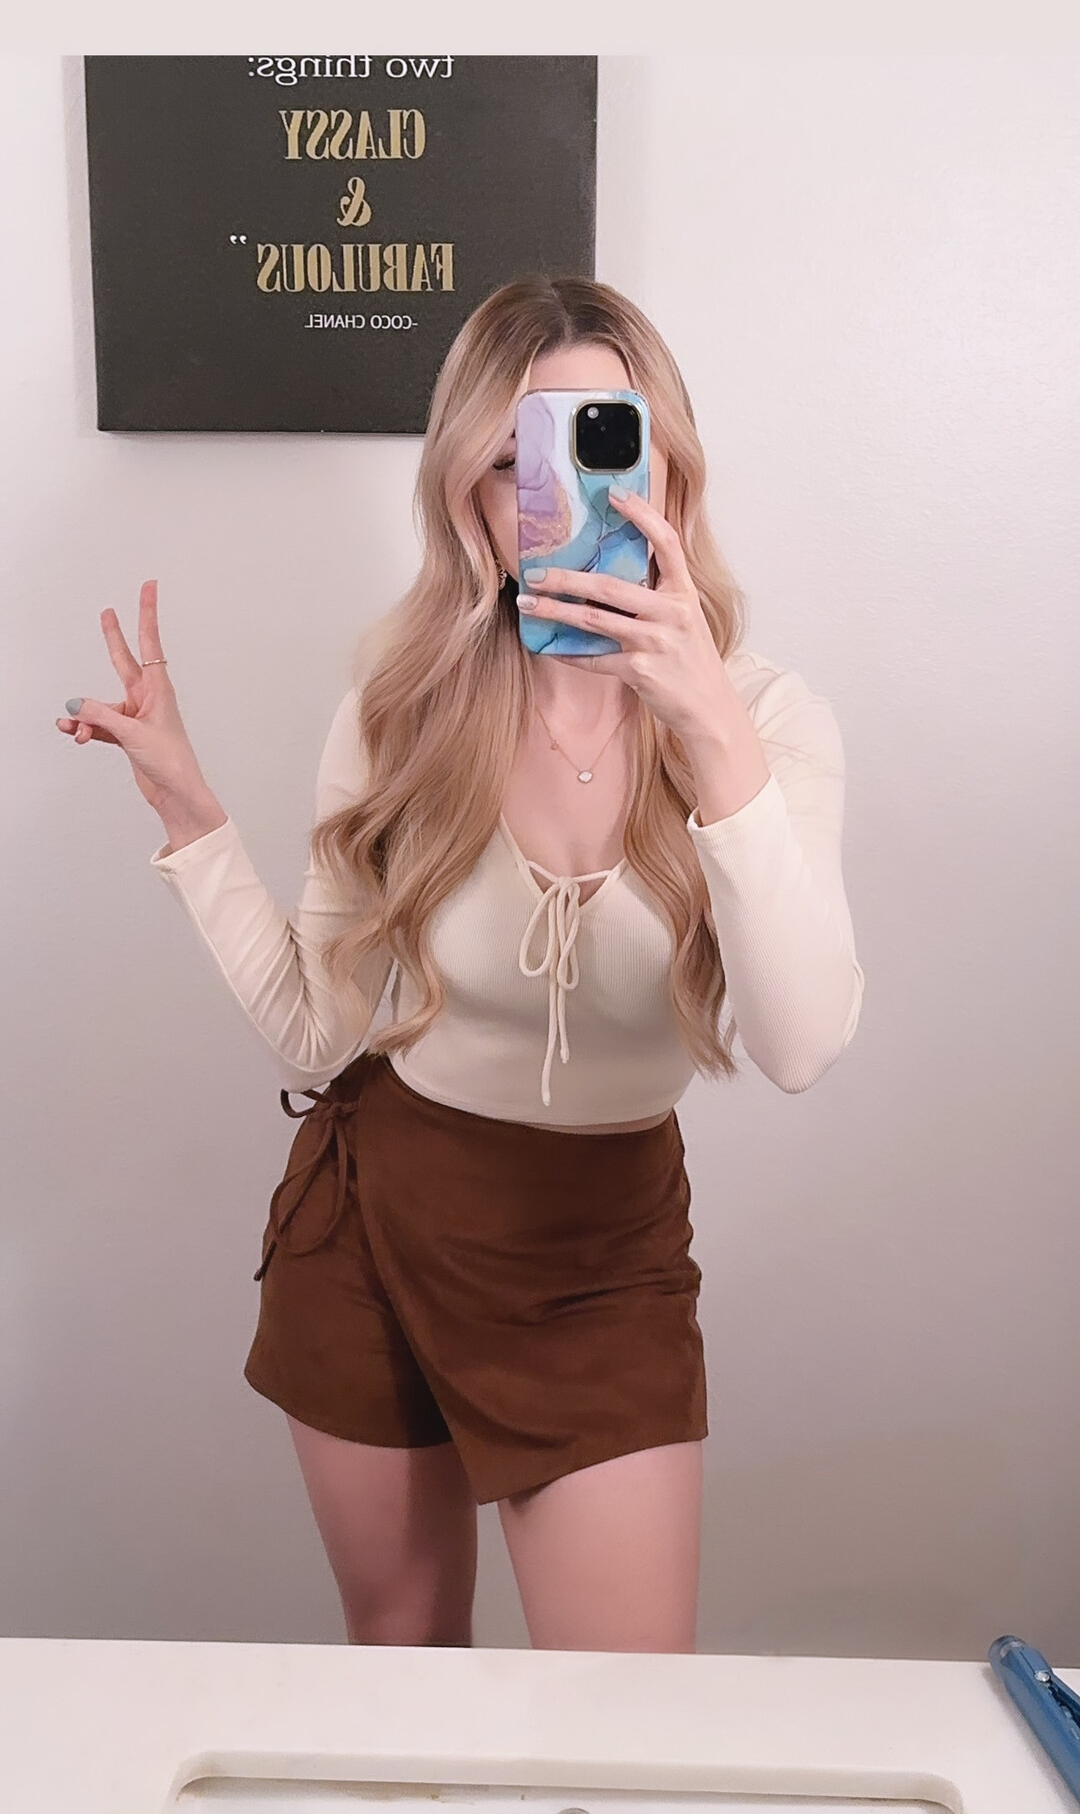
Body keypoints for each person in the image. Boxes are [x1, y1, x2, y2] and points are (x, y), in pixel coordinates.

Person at [56, 275, 864, 1655]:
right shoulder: (404, 705)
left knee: (622, 1723)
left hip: (601, 1256)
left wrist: (711, 734)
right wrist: (191, 812)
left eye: (605, 440)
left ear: (669, 465)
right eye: (513, 460)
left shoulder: (770, 722)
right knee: (406, 1671)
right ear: (467, 499)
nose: (566, 493)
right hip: (377, 1220)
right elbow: (317, 1034)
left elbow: (800, 1045)